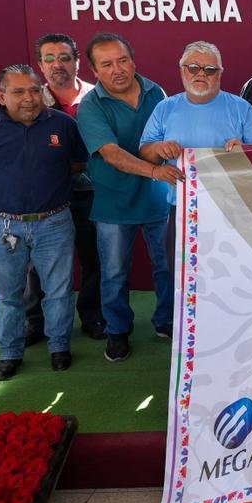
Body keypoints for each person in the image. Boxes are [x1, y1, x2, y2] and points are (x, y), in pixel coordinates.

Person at [0, 65, 87, 380]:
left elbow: (78, 164)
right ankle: (10, 353)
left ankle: (59, 347)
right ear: (1, 96)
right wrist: (3, 198)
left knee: (59, 290)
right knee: (6, 294)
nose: (29, 98)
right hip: (2, 226)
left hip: (54, 222)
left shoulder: (63, 125)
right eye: (19, 91)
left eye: (35, 90)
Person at [75, 33, 179, 363]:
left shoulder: (156, 92)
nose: (117, 69)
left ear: (133, 61)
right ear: (94, 70)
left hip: (159, 198)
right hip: (114, 203)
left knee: (168, 267)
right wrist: (154, 171)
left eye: (122, 60)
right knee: (114, 272)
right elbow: (111, 153)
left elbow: (169, 138)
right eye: (106, 64)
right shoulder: (91, 105)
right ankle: (117, 331)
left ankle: (168, 322)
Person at [23, 32, 106, 346]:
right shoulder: (28, 100)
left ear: (77, 61)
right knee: (37, 263)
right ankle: (35, 321)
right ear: (40, 65)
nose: (57, 64)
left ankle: (93, 315)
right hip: (46, 195)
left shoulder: (98, 97)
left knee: (94, 258)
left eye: (64, 57)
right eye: (49, 58)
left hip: (92, 193)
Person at [139, 41, 252, 198]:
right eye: (193, 68)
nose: (201, 74)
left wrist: (244, 152)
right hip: (180, 205)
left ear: (219, 74)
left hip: (231, 205)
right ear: (182, 71)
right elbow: (145, 153)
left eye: (210, 69)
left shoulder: (242, 109)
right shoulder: (164, 108)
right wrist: (158, 148)